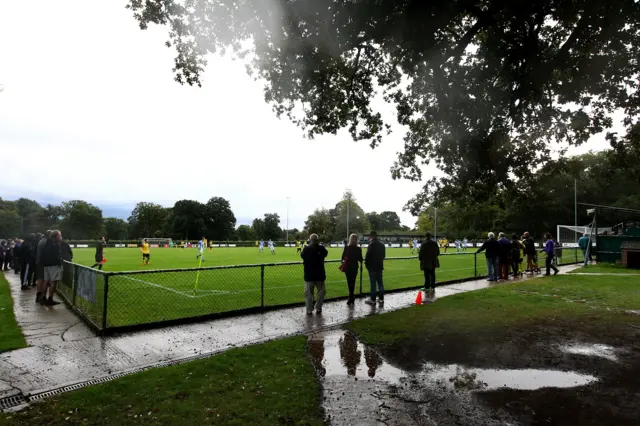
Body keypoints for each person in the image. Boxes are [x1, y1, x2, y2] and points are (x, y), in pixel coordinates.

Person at [301, 233, 328, 315]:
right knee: (321, 292)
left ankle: (309, 309)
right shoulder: (321, 248)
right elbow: (326, 254)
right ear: (317, 240)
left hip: (309, 275)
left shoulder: (306, 249)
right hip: (319, 275)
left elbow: (302, 256)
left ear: (310, 240)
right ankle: (318, 307)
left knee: (309, 294)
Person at [40, 230, 63, 306]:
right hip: (54, 265)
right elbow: (57, 256)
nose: (61, 236)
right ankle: (50, 299)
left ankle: (43, 298)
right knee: (53, 282)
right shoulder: (55, 244)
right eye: (60, 235)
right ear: (56, 236)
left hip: (46, 265)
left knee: (46, 281)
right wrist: (60, 263)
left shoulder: (47, 242)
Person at [341, 233, 363, 305]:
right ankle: (351, 297)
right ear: (356, 239)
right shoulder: (358, 248)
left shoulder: (346, 247)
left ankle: (351, 297)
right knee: (352, 282)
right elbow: (360, 259)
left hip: (348, 267)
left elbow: (342, 258)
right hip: (354, 267)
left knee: (349, 282)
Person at [364, 231, 386, 305]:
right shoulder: (382, 244)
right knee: (380, 283)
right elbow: (383, 256)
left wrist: (367, 265)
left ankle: (373, 299)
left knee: (373, 284)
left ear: (372, 236)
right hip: (379, 266)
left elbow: (367, 256)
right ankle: (381, 298)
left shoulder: (371, 245)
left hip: (372, 267)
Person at [36, 230, 52, 303]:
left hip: (39, 262)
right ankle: (42, 296)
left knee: (40, 279)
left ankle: (39, 295)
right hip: (44, 263)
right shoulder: (47, 242)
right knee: (45, 280)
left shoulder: (41, 241)